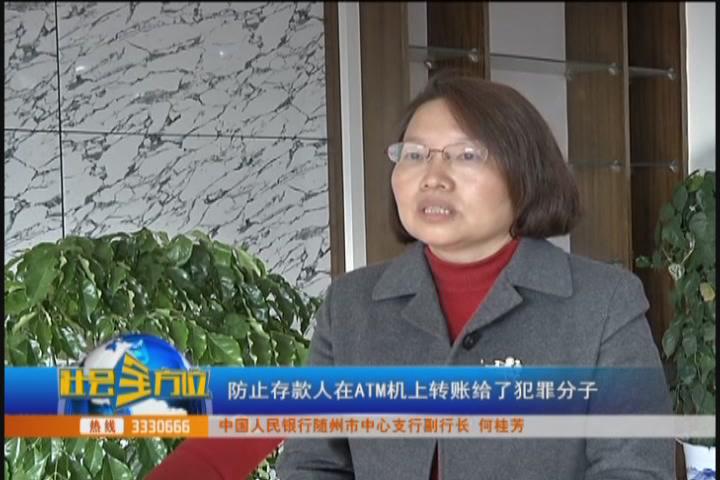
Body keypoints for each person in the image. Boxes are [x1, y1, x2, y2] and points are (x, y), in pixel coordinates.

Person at [151, 73, 674, 479]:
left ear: (525, 173)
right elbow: (316, 464)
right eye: (415, 154)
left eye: (466, 155)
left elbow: (633, 468)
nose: (433, 177)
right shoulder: (351, 304)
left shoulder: (603, 302)